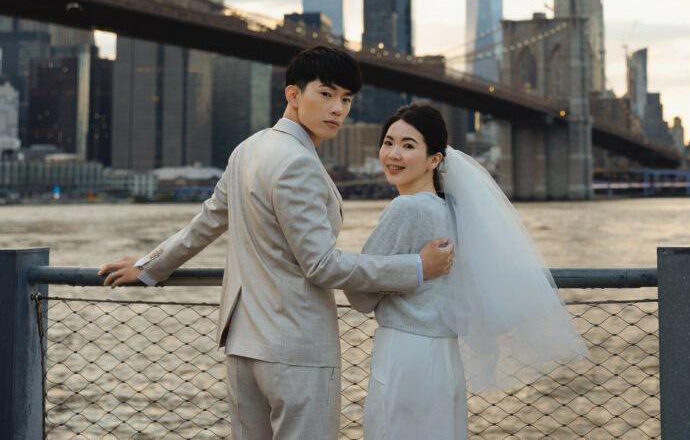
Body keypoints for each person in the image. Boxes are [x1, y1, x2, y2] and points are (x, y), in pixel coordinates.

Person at [98, 46, 455, 440]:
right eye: (326, 94)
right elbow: (321, 266)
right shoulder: (298, 162)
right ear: (293, 95)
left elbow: (206, 222)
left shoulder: (247, 149)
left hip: (243, 346)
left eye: (346, 99)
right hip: (296, 350)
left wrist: (150, 267)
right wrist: (418, 267)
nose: (338, 108)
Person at [345, 103, 586, 440]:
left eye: (408, 145)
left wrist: (410, 269)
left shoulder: (405, 208)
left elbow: (359, 294)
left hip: (405, 353)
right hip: (445, 357)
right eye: (388, 142)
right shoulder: (454, 212)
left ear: (434, 160)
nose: (393, 154)